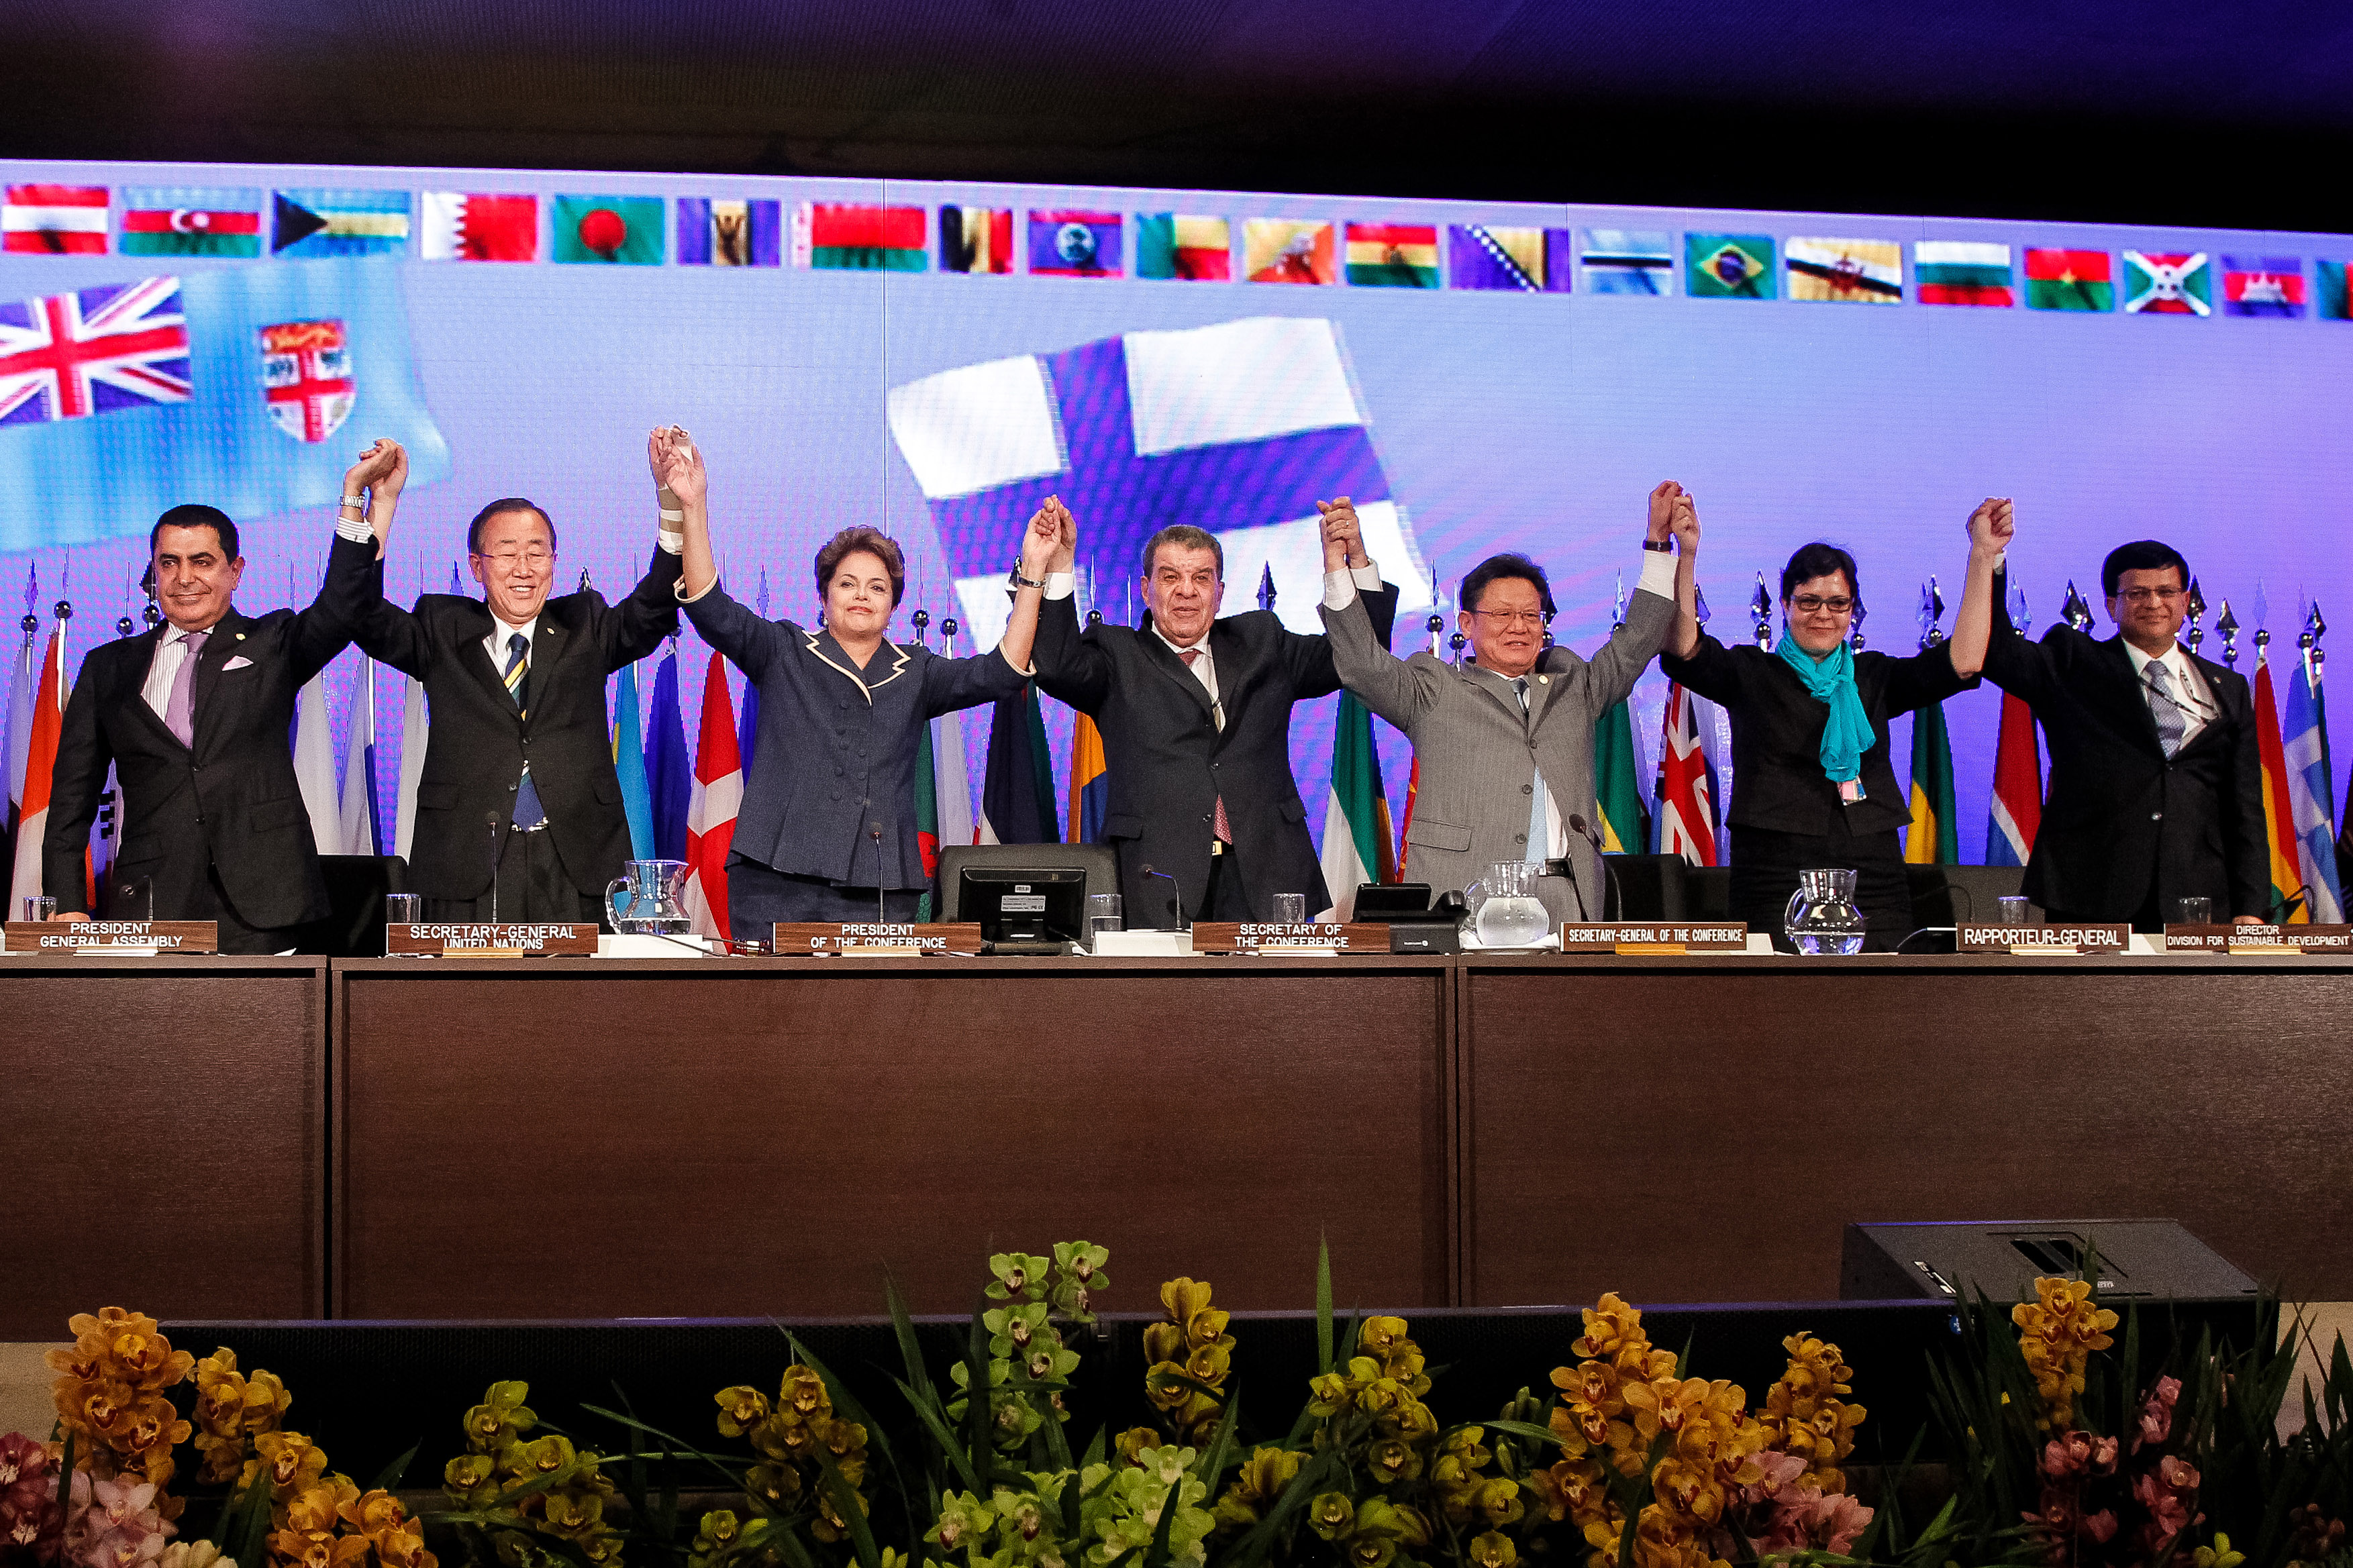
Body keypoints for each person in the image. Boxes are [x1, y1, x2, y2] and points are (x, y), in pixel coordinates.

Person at [658, 430, 1042, 928]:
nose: (862, 595)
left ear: (893, 606)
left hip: (880, 884)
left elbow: (1001, 672)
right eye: (847, 583)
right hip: (777, 879)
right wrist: (694, 505)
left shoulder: (917, 669)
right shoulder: (784, 650)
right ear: (824, 597)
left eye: (877, 587)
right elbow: (710, 606)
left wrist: (1033, 572)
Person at [41, 446, 396, 951]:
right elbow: (72, 797)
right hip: (149, 903)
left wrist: (353, 499)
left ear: (236, 569)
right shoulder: (108, 666)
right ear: (155, 573)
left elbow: (342, 607)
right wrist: (67, 901)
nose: (185, 578)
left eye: (202, 561)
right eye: (170, 563)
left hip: (263, 907)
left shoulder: (273, 642)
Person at [350, 441, 683, 923]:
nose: (524, 569)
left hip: (576, 860)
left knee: (582, 998)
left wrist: (670, 503)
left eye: (537, 553)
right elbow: (359, 615)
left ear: (553, 561)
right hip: (470, 860)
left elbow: (652, 609)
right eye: (507, 554)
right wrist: (381, 507)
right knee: (472, 999)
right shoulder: (441, 627)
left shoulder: (584, 624)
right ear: (477, 566)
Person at [1321, 482, 1693, 912]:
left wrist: (1659, 544)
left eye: (1531, 615)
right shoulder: (1432, 689)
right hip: (1464, 902)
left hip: (1566, 903)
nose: (1519, 626)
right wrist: (1339, 568)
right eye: (1502, 615)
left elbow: (1638, 640)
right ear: (1467, 623)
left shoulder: (1576, 688)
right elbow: (1362, 665)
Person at [1658, 501, 2000, 951]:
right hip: (1775, 879)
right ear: (1785, 604)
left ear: (1853, 609)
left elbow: (1965, 660)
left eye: (1838, 602)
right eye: (1809, 601)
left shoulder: (1874, 677)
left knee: (1881, 1009)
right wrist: (1687, 555)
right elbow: (1684, 648)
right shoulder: (1751, 673)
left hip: (1872, 879)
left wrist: (1981, 554)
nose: (1824, 613)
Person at [1030, 510, 1399, 925]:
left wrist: (1345, 564)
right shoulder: (1117, 654)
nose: (1187, 591)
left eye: (1201, 578)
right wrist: (1061, 564)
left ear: (1219, 592)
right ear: (1146, 589)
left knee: (1276, 993)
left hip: (1267, 876)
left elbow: (1362, 662)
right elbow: (1058, 666)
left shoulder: (1262, 641)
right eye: (1170, 577)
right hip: (1154, 879)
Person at [1983, 533, 2268, 929]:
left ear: (2186, 603)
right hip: (2092, 896)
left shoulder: (2228, 687)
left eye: (2167, 591)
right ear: (2111, 605)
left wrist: (2251, 908)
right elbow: (1993, 650)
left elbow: (2246, 809)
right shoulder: (2073, 663)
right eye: (2137, 594)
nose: (2154, 603)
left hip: (2198, 902)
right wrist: (1989, 558)